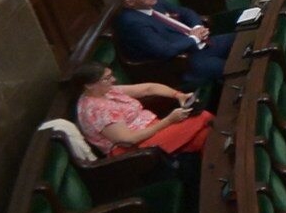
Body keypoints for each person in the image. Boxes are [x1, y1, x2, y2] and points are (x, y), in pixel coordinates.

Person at [111, 0, 237, 93]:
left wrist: (197, 28)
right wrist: (194, 38)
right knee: (233, 67)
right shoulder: (133, 23)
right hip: (182, 62)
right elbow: (165, 51)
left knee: (241, 39)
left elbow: (185, 12)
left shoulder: (154, 2)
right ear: (130, 2)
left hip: (200, 45)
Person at [72, 64, 211, 158]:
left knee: (206, 136)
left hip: (152, 130)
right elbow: (128, 140)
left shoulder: (105, 91)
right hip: (136, 149)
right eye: (107, 78)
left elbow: (149, 88)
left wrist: (178, 95)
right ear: (89, 85)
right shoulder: (97, 109)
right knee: (203, 116)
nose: (113, 80)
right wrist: (168, 121)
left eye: (111, 75)